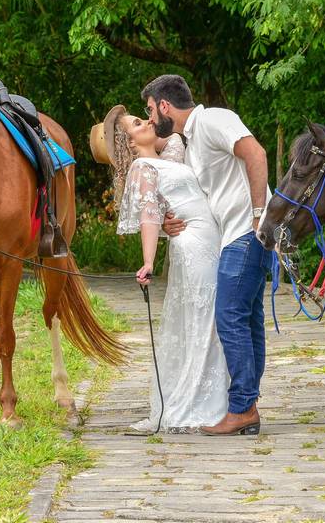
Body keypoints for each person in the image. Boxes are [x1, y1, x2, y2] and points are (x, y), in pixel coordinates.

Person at [141, 75, 271, 436]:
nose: (151, 119)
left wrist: (260, 214)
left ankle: (243, 407)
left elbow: (256, 153)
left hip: (247, 232)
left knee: (229, 315)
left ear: (165, 106)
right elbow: (201, 198)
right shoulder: (193, 143)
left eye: (150, 110)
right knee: (247, 319)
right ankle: (248, 406)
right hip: (234, 234)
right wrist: (171, 220)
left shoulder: (214, 119)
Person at [90, 105, 229, 433]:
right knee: (202, 319)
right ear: (129, 144)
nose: (148, 121)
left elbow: (176, 138)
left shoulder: (171, 154)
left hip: (211, 241)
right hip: (193, 246)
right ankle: (199, 404)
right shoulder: (142, 166)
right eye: (138, 123)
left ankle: (217, 399)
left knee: (213, 318)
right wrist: (149, 260)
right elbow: (149, 215)